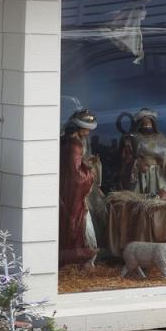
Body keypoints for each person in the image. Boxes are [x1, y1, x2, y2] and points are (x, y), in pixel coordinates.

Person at [59, 109, 99, 268]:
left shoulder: (67, 141)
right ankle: (79, 258)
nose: (89, 133)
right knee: (77, 222)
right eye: (87, 128)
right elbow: (77, 175)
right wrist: (90, 173)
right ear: (79, 127)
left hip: (65, 187)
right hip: (72, 192)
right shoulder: (75, 145)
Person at [118, 108, 166, 197]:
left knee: (161, 199)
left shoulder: (161, 139)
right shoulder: (134, 138)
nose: (147, 126)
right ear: (140, 124)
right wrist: (136, 163)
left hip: (158, 175)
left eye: (149, 123)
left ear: (153, 124)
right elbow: (127, 157)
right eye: (144, 123)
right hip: (141, 175)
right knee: (140, 200)